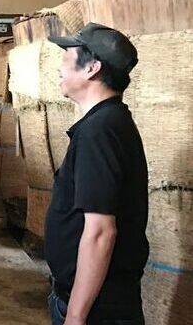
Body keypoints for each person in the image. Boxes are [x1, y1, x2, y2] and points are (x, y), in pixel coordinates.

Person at [45, 22, 149, 325]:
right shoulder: (108, 123)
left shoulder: (99, 131)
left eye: (66, 58)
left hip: (98, 311)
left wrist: (75, 317)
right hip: (100, 303)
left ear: (92, 68)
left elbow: (101, 232)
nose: (60, 68)